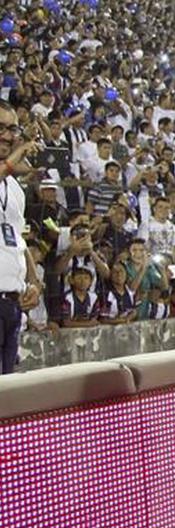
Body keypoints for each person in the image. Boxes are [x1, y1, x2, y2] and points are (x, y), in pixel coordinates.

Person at [0, 101, 42, 374]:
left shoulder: (15, 188)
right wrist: (15, 160)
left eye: (11, 129)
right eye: (0, 127)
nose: (6, 135)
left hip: (11, 306)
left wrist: (34, 280)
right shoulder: (10, 172)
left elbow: (17, 238)